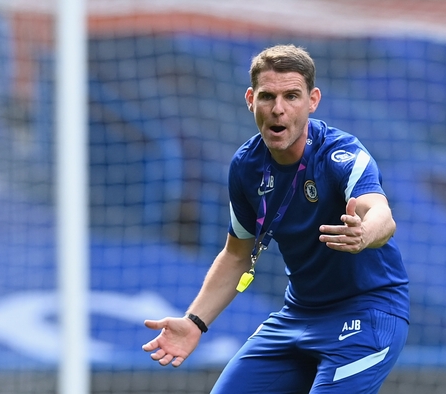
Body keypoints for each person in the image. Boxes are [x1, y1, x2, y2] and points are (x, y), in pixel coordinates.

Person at [142, 44, 409, 393]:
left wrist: (363, 234)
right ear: (251, 99)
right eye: (268, 96)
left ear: (312, 100)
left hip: (368, 313)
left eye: (292, 96)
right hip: (298, 314)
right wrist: (194, 322)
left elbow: (380, 214)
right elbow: (237, 254)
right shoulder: (246, 165)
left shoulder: (342, 154)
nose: (278, 110)